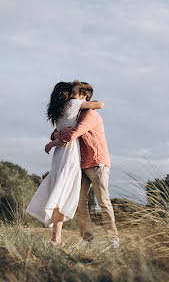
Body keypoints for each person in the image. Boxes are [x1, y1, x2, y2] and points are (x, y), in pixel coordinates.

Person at [26, 82, 104, 246]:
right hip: (70, 153)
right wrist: (83, 101)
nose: (72, 94)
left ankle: (57, 238)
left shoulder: (58, 108)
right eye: (70, 92)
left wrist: (56, 137)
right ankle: (57, 238)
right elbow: (99, 104)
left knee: (58, 191)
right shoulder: (74, 104)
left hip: (58, 155)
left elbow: (55, 133)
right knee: (62, 194)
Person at [53, 81, 120, 249]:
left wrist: (52, 143)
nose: (70, 96)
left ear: (84, 97)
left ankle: (113, 241)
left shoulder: (90, 115)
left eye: (74, 93)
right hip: (82, 165)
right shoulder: (76, 114)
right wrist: (58, 133)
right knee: (79, 202)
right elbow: (57, 131)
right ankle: (87, 239)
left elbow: (73, 134)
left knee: (103, 202)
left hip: (98, 163)